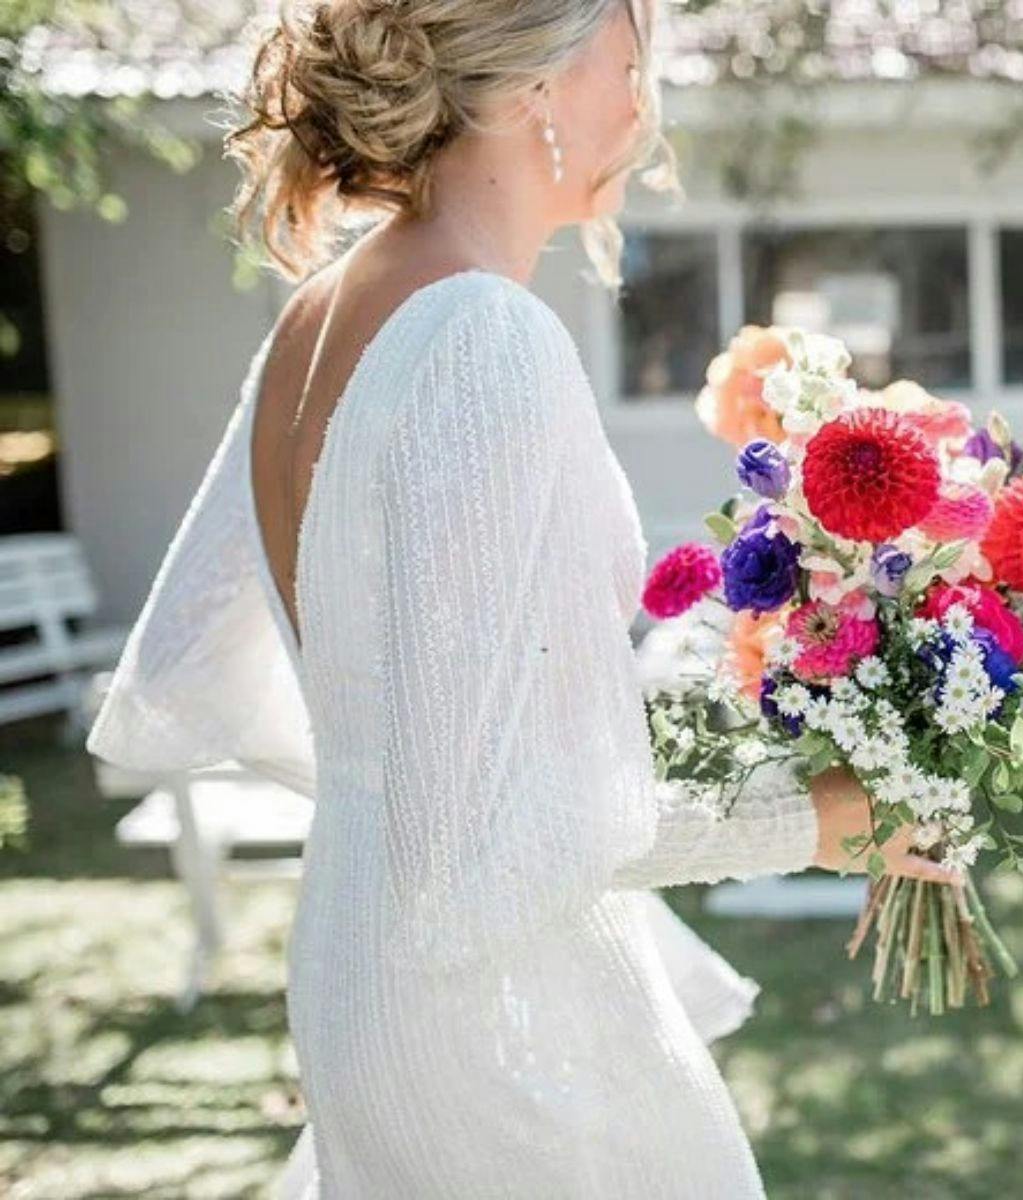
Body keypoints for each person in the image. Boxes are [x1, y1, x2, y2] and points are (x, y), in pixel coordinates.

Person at [85, 0, 957, 1194]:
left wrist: (400, 780)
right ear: (532, 86)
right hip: (483, 1007)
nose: (643, 109)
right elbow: (492, 821)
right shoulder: (483, 336)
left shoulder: (312, 320)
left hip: (354, 960)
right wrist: (808, 822)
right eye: (629, 64)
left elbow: (204, 662)